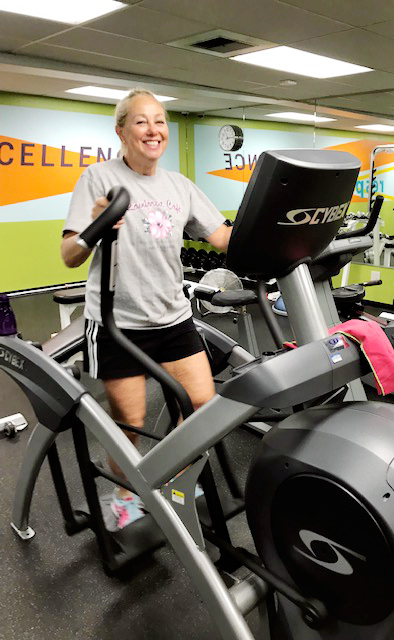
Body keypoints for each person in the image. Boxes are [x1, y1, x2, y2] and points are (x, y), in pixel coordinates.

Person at [61, 89, 231, 530]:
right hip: (119, 323)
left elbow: (223, 238)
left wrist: (280, 233)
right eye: (141, 121)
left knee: (201, 404)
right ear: (121, 130)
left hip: (172, 315)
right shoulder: (98, 178)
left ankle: (168, 474)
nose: (152, 130)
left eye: (159, 121)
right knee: (131, 425)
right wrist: (97, 226)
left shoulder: (180, 186)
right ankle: (123, 491)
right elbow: (69, 255)